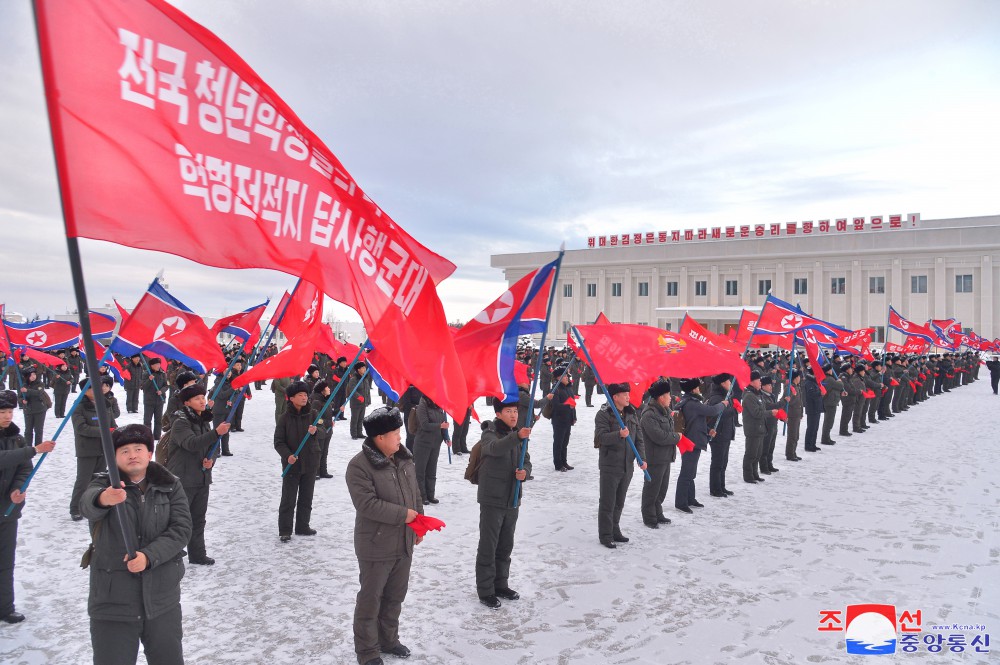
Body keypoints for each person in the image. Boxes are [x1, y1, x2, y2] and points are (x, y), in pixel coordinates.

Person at [81, 424, 191, 665]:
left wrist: (149, 556)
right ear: (114, 458)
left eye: (138, 448)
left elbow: (181, 529)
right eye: (124, 451)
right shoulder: (102, 485)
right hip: (113, 602)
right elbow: (87, 505)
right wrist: (104, 499)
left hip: (161, 599)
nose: (132, 455)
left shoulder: (170, 485)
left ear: (149, 454)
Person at [345, 407, 423, 665]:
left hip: (403, 541)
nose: (400, 437)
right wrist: (406, 515)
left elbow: (415, 493)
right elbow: (367, 504)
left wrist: (418, 522)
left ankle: (388, 640)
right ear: (379, 438)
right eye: (395, 433)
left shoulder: (403, 459)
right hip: (375, 545)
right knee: (371, 600)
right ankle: (367, 652)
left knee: (394, 597)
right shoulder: (359, 466)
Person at [1, 390, 56, 624]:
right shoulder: (23, 444)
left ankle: (5, 606)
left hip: (7, 510)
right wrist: (34, 449)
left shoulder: (17, 437)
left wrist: (17, 489)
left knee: (5, 562)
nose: (7, 416)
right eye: (2, 412)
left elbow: (24, 467)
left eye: (10, 411)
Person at [476, 397, 532, 608]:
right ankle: (486, 590)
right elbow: (493, 448)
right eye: (508, 411)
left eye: (516, 411)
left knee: (505, 545)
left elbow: (526, 459)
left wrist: (525, 472)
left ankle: (501, 584)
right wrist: (517, 436)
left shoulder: (518, 434)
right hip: (492, 498)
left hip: (512, 497)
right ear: (498, 413)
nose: (514, 415)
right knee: (488, 546)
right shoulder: (490, 431)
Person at [165, 382, 227, 566]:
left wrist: (211, 459)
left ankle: (197, 554)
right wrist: (216, 433)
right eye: (197, 399)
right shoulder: (180, 423)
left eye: (203, 398)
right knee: (179, 519)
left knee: (199, 519)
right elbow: (191, 444)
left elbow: (212, 448)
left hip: (202, 478)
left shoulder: (203, 421)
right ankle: (172, 552)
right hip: (183, 478)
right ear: (187, 403)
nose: (202, 401)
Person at [595, 383, 646, 547]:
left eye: (628, 394)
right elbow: (601, 438)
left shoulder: (632, 413)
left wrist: (642, 458)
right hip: (610, 464)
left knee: (619, 501)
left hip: (627, 465)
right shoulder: (604, 414)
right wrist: (618, 434)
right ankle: (605, 534)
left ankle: (615, 529)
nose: (628, 397)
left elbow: (639, 438)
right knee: (608, 502)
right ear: (615, 397)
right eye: (624, 394)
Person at [275, 381, 322, 541]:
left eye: (305, 394)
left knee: (306, 497)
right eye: (300, 395)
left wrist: (315, 431)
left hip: (310, 461)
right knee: (288, 498)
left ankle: (303, 526)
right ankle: (285, 530)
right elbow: (278, 441)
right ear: (292, 398)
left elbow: (323, 432)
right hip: (292, 464)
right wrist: (287, 455)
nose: (304, 397)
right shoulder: (284, 418)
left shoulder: (313, 414)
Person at [70, 378, 119, 521]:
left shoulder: (105, 404)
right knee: (83, 480)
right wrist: (104, 431)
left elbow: (113, 424)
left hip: (104, 448)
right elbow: (81, 428)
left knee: (98, 479)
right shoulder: (79, 406)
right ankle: (75, 508)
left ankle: (93, 504)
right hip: (87, 449)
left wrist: (115, 433)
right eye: (93, 388)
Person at [675, 378, 724, 511]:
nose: (699, 389)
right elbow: (712, 411)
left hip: (693, 439)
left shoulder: (690, 402)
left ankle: (690, 499)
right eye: (697, 387)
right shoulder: (692, 403)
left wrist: (708, 431)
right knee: (687, 473)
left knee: (691, 472)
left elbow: (696, 422)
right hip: (691, 442)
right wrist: (723, 404)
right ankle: (681, 502)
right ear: (692, 389)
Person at [639, 379, 678, 527]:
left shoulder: (666, 411)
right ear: (661, 397)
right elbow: (659, 436)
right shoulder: (649, 415)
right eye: (668, 394)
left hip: (665, 456)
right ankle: (649, 517)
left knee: (661, 489)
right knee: (652, 489)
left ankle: (657, 512)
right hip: (654, 458)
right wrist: (676, 437)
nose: (670, 397)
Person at [706, 374, 738, 496]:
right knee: (717, 463)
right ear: (722, 384)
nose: (730, 383)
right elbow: (717, 413)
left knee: (723, 463)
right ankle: (715, 489)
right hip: (718, 434)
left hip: (726, 433)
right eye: (728, 381)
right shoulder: (716, 397)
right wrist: (734, 410)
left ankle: (721, 486)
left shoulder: (726, 395)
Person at [413, 396, 448, 504]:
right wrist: (440, 426)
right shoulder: (422, 405)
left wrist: (446, 437)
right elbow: (424, 425)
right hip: (423, 443)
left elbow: (444, 424)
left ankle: (430, 495)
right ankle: (422, 497)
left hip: (435, 443)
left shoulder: (439, 405)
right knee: (420, 471)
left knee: (431, 471)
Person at [546, 366, 576, 472]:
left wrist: (574, 416)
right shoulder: (555, 389)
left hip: (568, 419)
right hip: (559, 420)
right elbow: (556, 406)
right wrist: (568, 406)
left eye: (567, 375)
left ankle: (564, 461)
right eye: (565, 375)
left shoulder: (568, 387)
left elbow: (572, 403)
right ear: (559, 377)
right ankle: (558, 464)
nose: (567, 377)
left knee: (565, 442)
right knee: (558, 442)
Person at [310, 381, 335, 479]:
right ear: (322, 391)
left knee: (325, 451)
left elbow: (329, 414)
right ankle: (315, 472)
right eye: (327, 388)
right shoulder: (316, 402)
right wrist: (327, 422)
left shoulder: (327, 401)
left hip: (328, 430)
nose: (329, 389)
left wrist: (338, 411)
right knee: (318, 452)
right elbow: (316, 418)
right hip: (320, 430)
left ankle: (323, 471)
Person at [19, 368, 49, 448]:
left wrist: (27, 391)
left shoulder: (40, 384)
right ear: (27, 376)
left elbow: (38, 393)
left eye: (34, 374)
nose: (33, 376)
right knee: (28, 430)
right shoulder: (23, 385)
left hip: (40, 410)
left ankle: (38, 446)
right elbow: (19, 397)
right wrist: (22, 401)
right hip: (28, 410)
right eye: (31, 375)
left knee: (38, 430)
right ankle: (27, 446)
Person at [142, 358, 167, 441]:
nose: (158, 366)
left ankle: (157, 436)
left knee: (158, 420)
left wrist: (161, 391)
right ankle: (147, 436)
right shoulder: (146, 373)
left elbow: (166, 385)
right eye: (155, 365)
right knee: (147, 420)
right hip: (149, 400)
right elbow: (143, 387)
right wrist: (149, 380)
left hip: (160, 400)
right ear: (151, 365)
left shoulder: (163, 373)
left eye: (159, 364)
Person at [347, 363, 371, 440]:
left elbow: (367, 390)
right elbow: (352, 390)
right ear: (358, 369)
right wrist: (359, 397)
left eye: (364, 368)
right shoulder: (354, 379)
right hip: (356, 403)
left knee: (361, 418)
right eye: (363, 368)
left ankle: (359, 433)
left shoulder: (364, 378)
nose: (364, 369)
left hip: (363, 402)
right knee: (355, 418)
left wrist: (367, 399)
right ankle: (354, 433)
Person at [784, 369, 804, 461]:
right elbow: (787, 401)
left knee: (796, 435)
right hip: (792, 414)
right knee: (792, 435)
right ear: (795, 378)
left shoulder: (796, 387)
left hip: (797, 414)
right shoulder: (790, 388)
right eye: (799, 376)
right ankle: (790, 454)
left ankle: (793, 452)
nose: (800, 378)